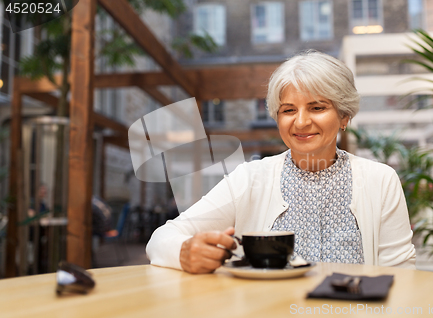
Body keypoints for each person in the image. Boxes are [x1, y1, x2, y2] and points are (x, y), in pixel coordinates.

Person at [146, 50, 416, 274]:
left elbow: (401, 276)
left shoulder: (380, 179)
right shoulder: (251, 178)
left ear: (344, 116)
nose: (300, 122)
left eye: (317, 107)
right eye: (288, 110)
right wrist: (184, 253)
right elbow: (162, 238)